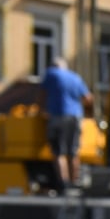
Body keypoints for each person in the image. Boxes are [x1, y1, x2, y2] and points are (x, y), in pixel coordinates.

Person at [40, 57, 92, 188]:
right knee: (73, 151)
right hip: (76, 117)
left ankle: (63, 183)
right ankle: (75, 182)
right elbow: (88, 98)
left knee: (59, 152)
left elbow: (41, 94)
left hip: (58, 115)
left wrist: (41, 109)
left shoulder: (51, 73)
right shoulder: (75, 77)